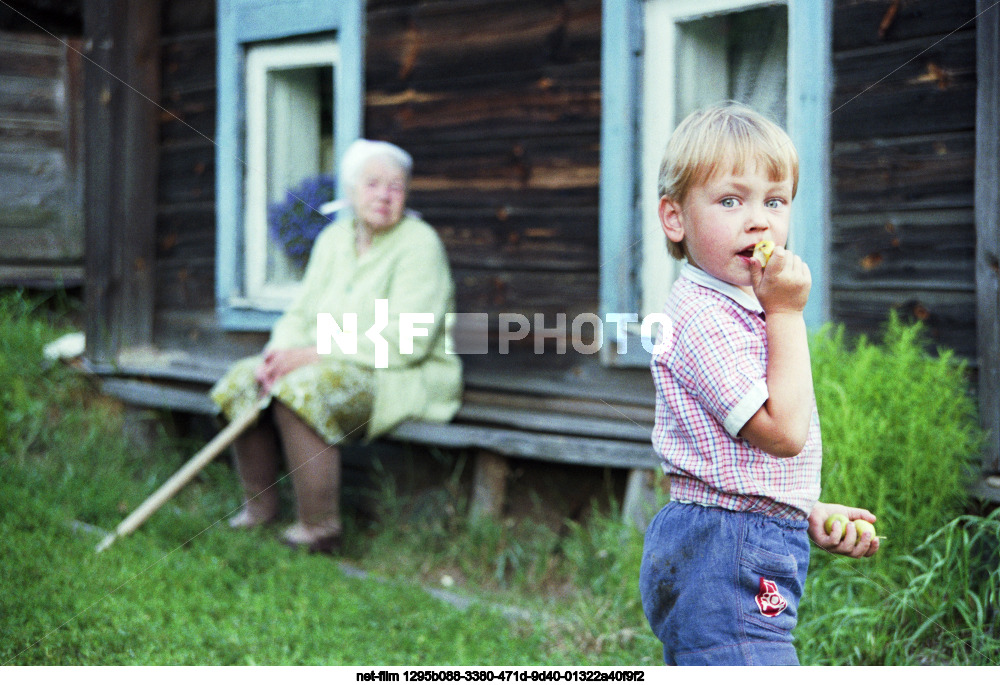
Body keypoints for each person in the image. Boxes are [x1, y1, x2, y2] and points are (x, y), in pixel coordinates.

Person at [638, 102, 880, 665]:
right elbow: (783, 432)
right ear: (674, 218)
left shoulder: (734, 309)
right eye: (730, 200)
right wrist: (788, 313)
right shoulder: (702, 319)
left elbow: (737, 457)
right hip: (727, 549)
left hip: (732, 534)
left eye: (775, 201)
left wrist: (801, 507)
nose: (759, 220)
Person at [210, 139, 462, 554]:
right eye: (373, 183)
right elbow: (300, 315)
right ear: (349, 191)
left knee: (304, 390)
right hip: (339, 363)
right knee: (245, 379)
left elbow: (407, 342)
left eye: (396, 186)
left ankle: (320, 528)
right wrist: (277, 356)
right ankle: (259, 511)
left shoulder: (419, 243)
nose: (384, 194)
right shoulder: (333, 240)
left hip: (402, 375)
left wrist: (313, 355)